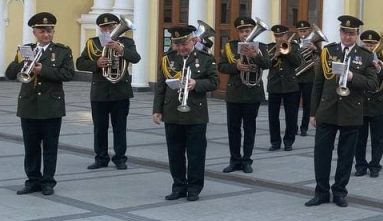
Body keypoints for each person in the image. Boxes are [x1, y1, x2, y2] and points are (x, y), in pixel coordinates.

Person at [306, 15, 378, 207]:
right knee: (322, 154)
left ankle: (339, 192)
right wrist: (313, 113)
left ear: (357, 35)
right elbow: (318, 84)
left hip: (351, 112)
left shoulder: (365, 55)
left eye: (352, 33)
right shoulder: (328, 52)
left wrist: (353, 76)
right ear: (340, 33)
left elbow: (372, 84)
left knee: (346, 156)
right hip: (327, 109)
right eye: (345, 33)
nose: (348, 37)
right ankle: (321, 192)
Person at [5, 13, 75, 195]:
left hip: (52, 106)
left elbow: (68, 74)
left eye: (50, 31)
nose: (47, 35)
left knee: (50, 147)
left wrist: (43, 69)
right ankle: (32, 181)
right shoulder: (25, 49)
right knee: (31, 146)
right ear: (34, 32)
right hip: (28, 105)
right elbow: (10, 73)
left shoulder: (62, 51)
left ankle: (48, 182)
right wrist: (23, 63)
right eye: (42, 31)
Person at [152, 24, 218, 201]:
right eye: (177, 45)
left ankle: (194, 188)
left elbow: (214, 81)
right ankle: (178, 186)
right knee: (175, 153)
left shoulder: (204, 58)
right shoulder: (168, 59)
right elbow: (160, 86)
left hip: (196, 113)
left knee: (196, 153)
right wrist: (157, 110)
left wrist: (196, 84)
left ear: (192, 41)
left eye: (184, 44)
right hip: (172, 111)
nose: (181, 48)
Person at [76, 13, 141, 171]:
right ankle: (101, 158)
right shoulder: (93, 43)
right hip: (100, 91)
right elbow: (80, 63)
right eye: (104, 27)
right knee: (100, 128)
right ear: (100, 28)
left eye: (111, 26)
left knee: (120, 127)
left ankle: (120, 158)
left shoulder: (127, 42)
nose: (108, 29)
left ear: (117, 26)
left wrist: (119, 48)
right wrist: (96, 63)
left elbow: (136, 58)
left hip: (120, 91)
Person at [217, 16, 271, 173]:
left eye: (248, 30)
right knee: (233, 128)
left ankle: (247, 160)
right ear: (238, 32)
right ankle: (234, 160)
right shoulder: (230, 47)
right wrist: (236, 66)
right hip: (234, 93)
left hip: (253, 92)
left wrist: (256, 56)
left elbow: (267, 64)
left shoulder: (261, 46)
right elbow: (221, 66)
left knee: (249, 128)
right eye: (242, 31)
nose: (245, 34)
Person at [355, 29, 383, 178]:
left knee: (378, 139)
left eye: (373, 44)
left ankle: (375, 165)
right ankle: (360, 165)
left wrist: (379, 69)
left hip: (379, 105)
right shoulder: (357, 60)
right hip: (361, 104)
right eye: (367, 44)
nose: (369, 47)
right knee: (359, 138)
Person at [266, 24, 303, 151]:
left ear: (286, 35)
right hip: (274, 84)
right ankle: (275, 142)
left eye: (281, 35)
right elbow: (265, 64)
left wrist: (286, 52)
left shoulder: (295, 47)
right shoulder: (269, 47)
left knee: (291, 116)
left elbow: (297, 62)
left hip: (290, 85)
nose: (279, 38)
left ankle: (288, 142)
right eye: (276, 36)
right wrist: (275, 54)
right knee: (273, 116)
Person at [294, 20, 319, 136]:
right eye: (301, 31)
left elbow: (321, 58)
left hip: (309, 77)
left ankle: (304, 128)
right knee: (293, 104)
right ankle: (293, 127)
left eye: (305, 30)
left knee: (307, 104)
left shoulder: (315, 43)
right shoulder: (293, 43)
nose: (303, 33)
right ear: (298, 32)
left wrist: (315, 50)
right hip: (295, 77)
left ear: (309, 31)